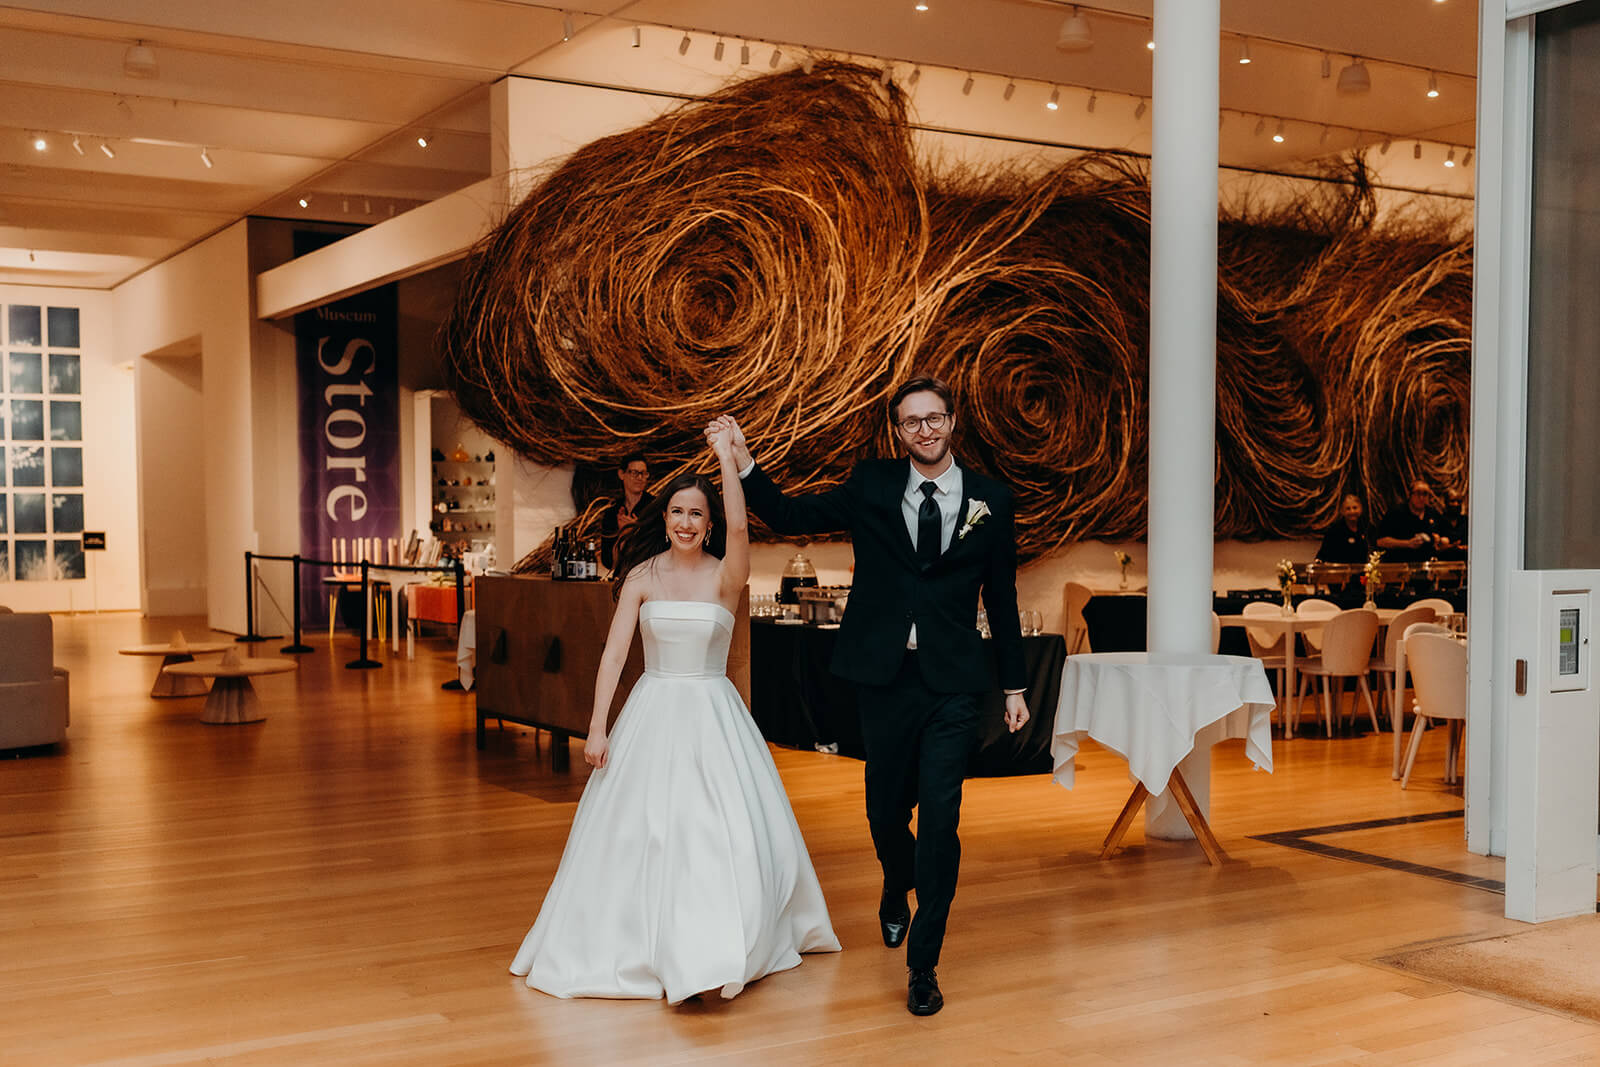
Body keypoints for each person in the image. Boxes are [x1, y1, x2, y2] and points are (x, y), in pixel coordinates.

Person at [718, 375, 1029, 1018]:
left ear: (952, 422)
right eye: (911, 420)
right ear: (898, 431)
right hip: (883, 677)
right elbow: (791, 515)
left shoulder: (992, 500)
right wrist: (745, 462)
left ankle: (924, 964)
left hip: (953, 684)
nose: (924, 429)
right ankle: (895, 879)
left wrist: (1015, 684)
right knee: (886, 813)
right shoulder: (872, 485)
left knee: (941, 820)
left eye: (934, 417)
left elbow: (1001, 597)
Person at [509, 421, 839, 1003]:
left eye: (697, 514)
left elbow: (742, 523)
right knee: (644, 833)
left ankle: (714, 947)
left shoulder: (725, 576)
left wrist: (728, 458)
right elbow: (614, 655)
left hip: (714, 714)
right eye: (677, 513)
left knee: (716, 831)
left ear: (709, 524)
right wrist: (596, 726)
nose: (687, 523)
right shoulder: (641, 576)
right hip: (652, 712)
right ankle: (640, 942)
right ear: (663, 519)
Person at [598, 453, 651, 571]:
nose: (640, 478)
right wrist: (624, 536)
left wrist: (636, 532)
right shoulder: (611, 513)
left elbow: (660, 552)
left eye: (644, 473)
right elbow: (608, 562)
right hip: (621, 579)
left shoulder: (655, 508)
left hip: (650, 579)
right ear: (621, 474)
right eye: (634, 473)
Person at [1375, 479, 1446, 564]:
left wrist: (1440, 540)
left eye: (1425, 494)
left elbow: (1445, 538)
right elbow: (1381, 542)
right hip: (1399, 566)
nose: (1421, 498)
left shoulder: (1433, 514)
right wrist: (1407, 543)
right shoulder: (1396, 513)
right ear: (1410, 495)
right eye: (1418, 493)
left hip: (1427, 566)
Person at [1315, 494, 1372, 564]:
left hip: (1362, 572)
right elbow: (1322, 556)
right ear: (1342, 511)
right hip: (1339, 572)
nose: (1352, 511)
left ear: (1361, 509)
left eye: (1355, 508)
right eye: (1348, 508)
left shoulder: (1366, 527)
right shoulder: (1334, 531)